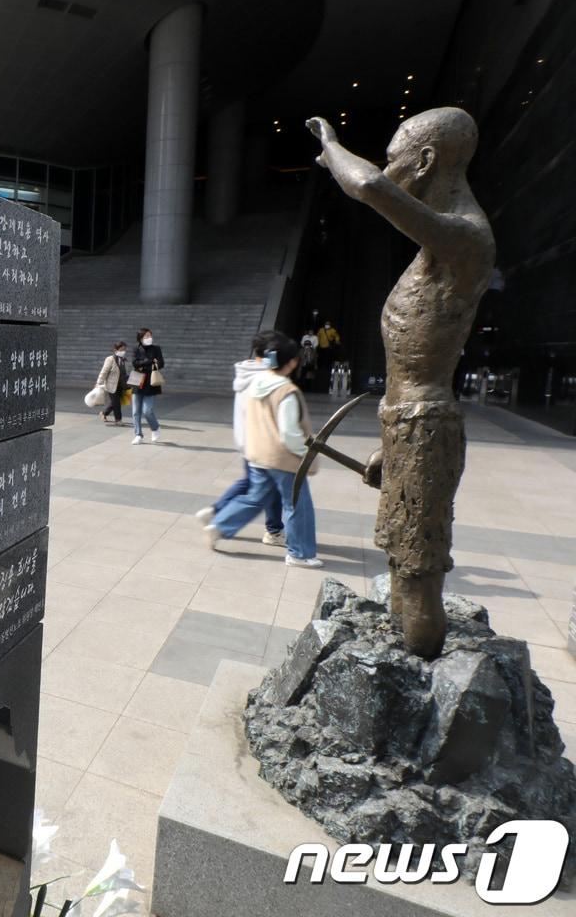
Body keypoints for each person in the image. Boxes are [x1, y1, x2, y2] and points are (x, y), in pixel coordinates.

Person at [308, 107, 495, 657]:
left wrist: (332, 145)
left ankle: (420, 718)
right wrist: (389, 447)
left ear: (427, 159)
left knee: (417, 579)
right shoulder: (436, 249)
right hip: (408, 426)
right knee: (399, 560)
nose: (387, 170)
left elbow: (365, 184)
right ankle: (400, 684)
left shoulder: (467, 239)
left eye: (395, 158)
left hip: (426, 426)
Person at [203, 335, 323, 568]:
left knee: (255, 497)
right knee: (297, 504)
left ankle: (219, 526)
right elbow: (289, 433)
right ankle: (299, 553)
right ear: (292, 362)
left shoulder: (256, 383)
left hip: (256, 454)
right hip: (282, 458)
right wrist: (306, 455)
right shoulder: (286, 391)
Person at [195, 330, 286, 547]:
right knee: (262, 492)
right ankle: (222, 526)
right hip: (264, 445)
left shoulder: (245, 371)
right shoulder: (268, 378)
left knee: (252, 483)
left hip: (246, 441)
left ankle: (216, 512)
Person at [129, 327, 164, 444]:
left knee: (147, 410)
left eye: (150, 335)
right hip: (137, 380)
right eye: (146, 336)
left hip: (151, 381)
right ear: (140, 338)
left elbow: (161, 363)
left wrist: (142, 364)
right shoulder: (136, 348)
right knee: (135, 411)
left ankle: (155, 428)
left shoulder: (156, 348)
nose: (149, 338)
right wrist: (150, 361)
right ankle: (138, 435)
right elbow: (134, 363)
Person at [95, 341, 130, 425]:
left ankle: (104, 413)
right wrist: (98, 382)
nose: (123, 351)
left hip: (122, 385)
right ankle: (118, 420)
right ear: (116, 350)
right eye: (121, 349)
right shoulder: (110, 359)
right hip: (112, 385)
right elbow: (104, 371)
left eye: (125, 349)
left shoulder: (124, 360)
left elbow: (125, 373)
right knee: (117, 403)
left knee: (115, 402)